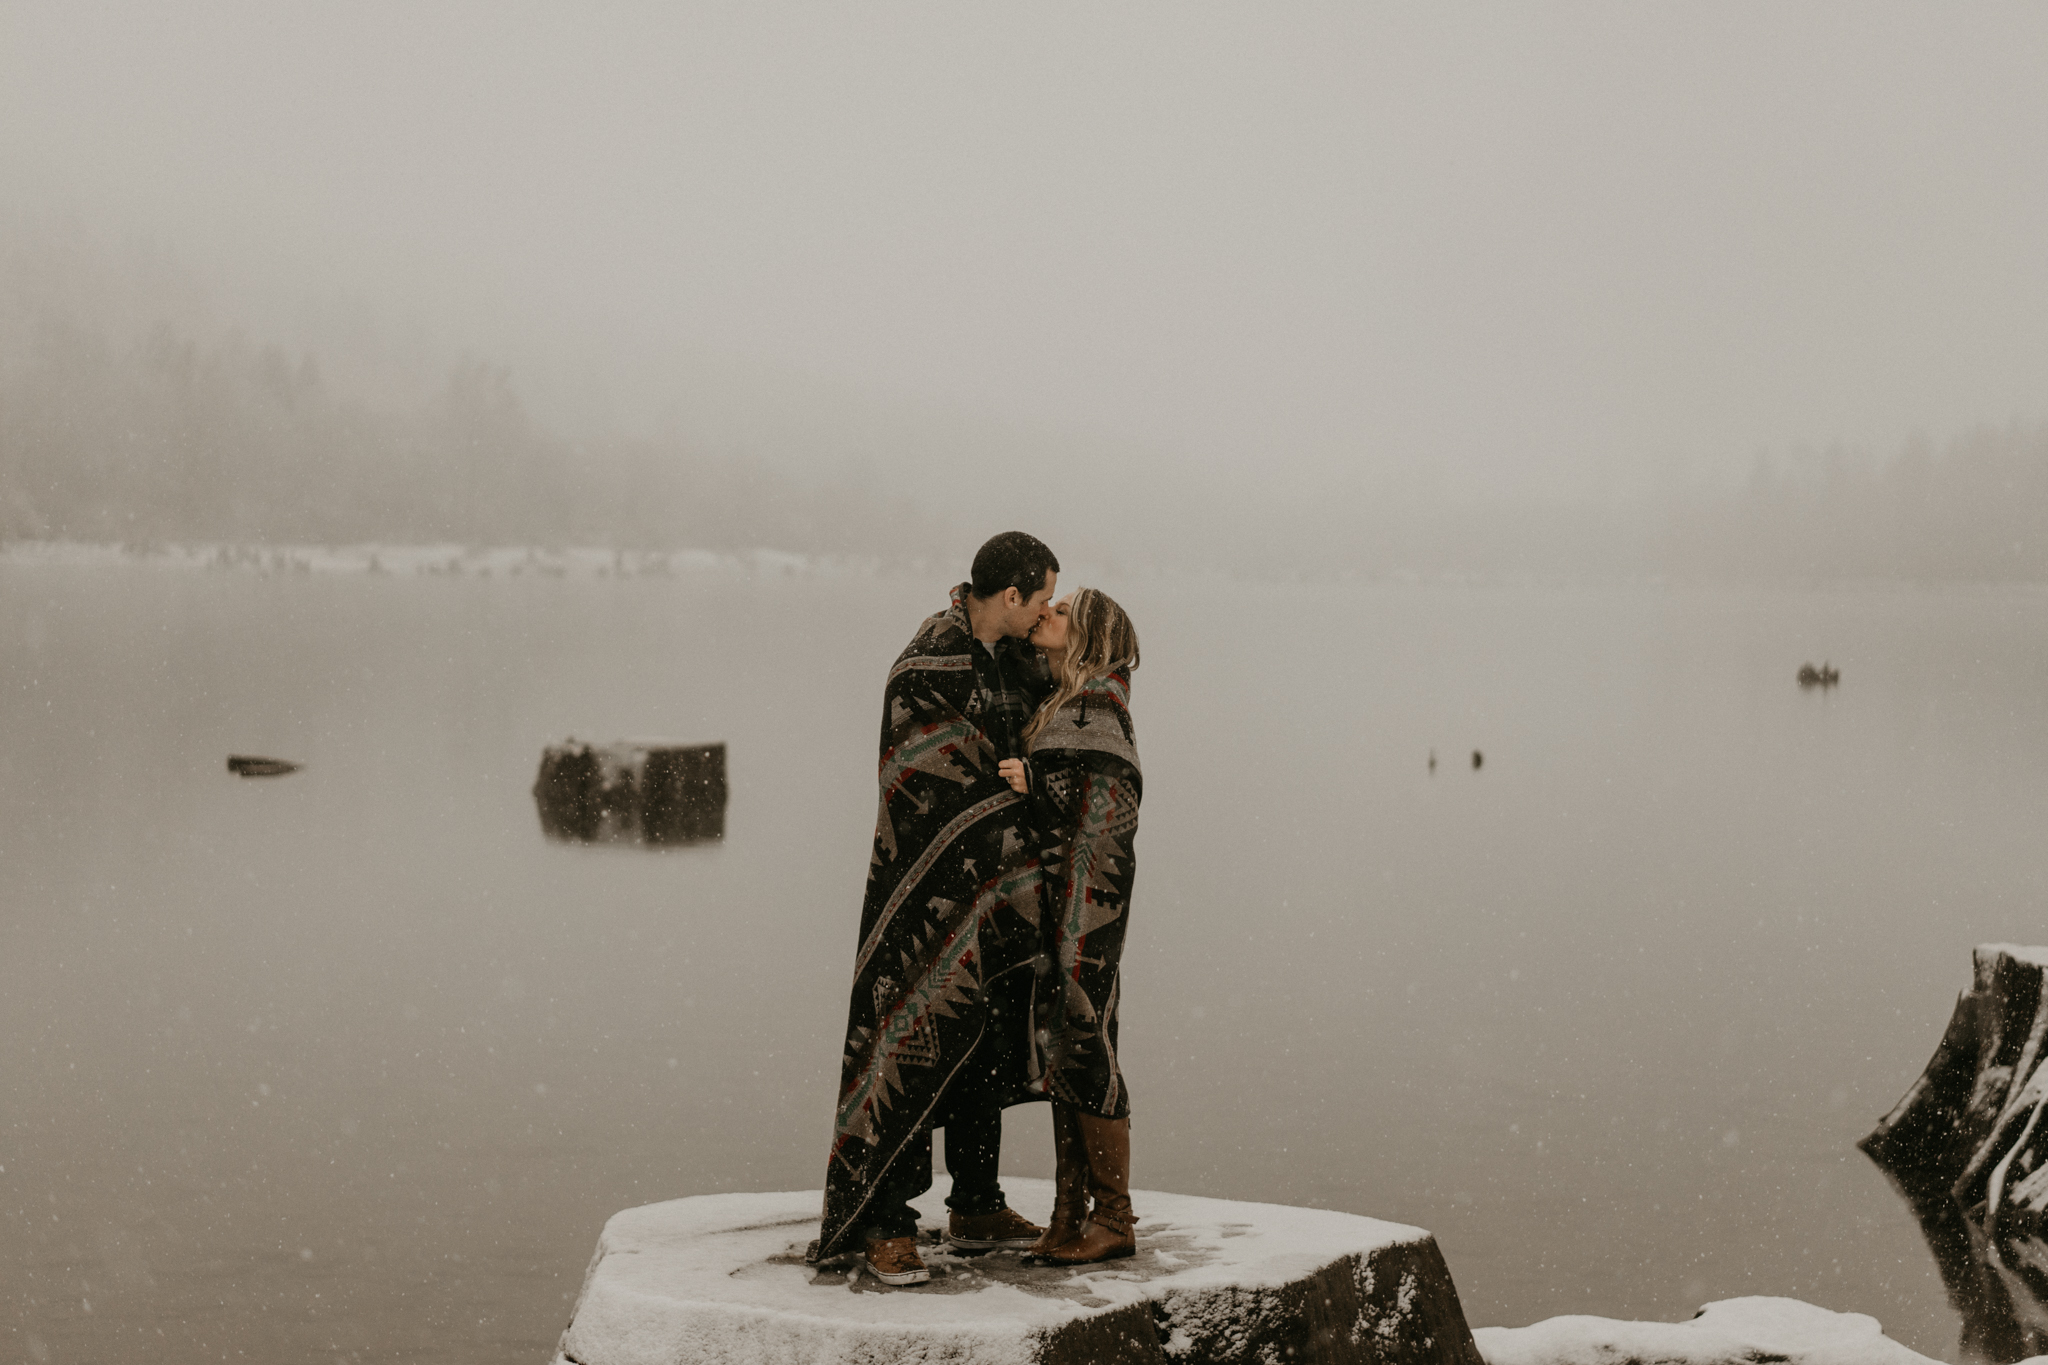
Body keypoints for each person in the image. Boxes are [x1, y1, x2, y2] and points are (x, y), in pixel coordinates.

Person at [812, 531, 1062, 1286]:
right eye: (1042, 599)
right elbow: (921, 782)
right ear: (1010, 595)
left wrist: (1038, 780)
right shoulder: (927, 666)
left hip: (995, 894)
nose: (1046, 612)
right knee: (912, 1040)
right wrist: (1010, 797)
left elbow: (1043, 739)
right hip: (923, 895)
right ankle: (886, 1219)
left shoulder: (1015, 660)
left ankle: (977, 1202)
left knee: (983, 1039)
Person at [997, 587, 1143, 1264]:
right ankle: (1069, 1212)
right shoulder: (1072, 697)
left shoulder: (1100, 704)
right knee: (1068, 1047)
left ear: (1085, 638)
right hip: (1071, 903)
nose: (1044, 618)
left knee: (1086, 1044)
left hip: (1091, 905)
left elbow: (1104, 805)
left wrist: (1035, 782)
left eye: (1059, 615)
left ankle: (1113, 1217)